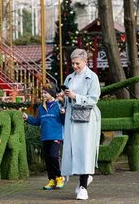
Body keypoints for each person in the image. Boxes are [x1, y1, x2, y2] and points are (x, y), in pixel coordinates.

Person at [60, 48, 101, 200]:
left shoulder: (92, 77)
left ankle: (83, 186)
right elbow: (67, 100)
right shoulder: (69, 78)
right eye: (73, 63)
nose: (75, 66)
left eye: (78, 63)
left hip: (87, 120)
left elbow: (93, 99)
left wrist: (75, 96)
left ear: (85, 62)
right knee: (73, 151)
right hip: (72, 119)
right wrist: (63, 99)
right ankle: (84, 178)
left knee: (85, 151)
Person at [22, 82, 65, 190]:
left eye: (45, 92)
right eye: (43, 92)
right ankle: (51, 180)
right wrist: (28, 118)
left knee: (53, 156)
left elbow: (63, 121)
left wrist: (62, 113)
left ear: (51, 93)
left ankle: (59, 177)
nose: (43, 95)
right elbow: (38, 121)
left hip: (56, 136)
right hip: (45, 137)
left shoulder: (58, 105)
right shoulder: (41, 107)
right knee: (48, 159)